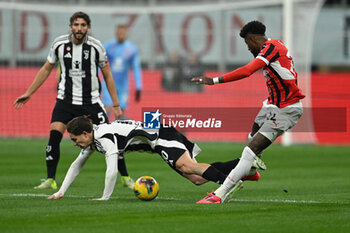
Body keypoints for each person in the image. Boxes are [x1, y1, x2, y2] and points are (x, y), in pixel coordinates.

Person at [13, 11, 132, 190]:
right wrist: (29, 93)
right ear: (71, 27)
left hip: (91, 101)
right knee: (54, 136)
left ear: (88, 28)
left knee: (110, 138)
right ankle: (50, 179)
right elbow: (46, 69)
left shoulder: (96, 47)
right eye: (76, 25)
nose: (79, 28)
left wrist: (115, 104)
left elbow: (107, 74)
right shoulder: (59, 44)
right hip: (65, 100)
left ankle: (125, 177)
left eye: (83, 25)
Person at [192, 20, 305, 204]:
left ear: (252, 39)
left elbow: (247, 71)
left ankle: (219, 194)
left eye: (247, 43)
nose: (248, 48)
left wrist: (214, 81)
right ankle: (251, 171)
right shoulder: (277, 45)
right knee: (252, 136)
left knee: (249, 151)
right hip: (272, 105)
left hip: (286, 109)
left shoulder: (270, 48)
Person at [48, 116, 266, 200]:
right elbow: (76, 165)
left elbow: (112, 169)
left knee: (187, 166)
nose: (75, 144)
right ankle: (244, 166)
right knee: (196, 178)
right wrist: (61, 192)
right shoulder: (94, 138)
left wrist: (105, 198)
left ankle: (226, 186)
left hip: (162, 136)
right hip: (157, 142)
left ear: (86, 133)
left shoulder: (103, 138)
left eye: (76, 139)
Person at [101, 24, 142, 120]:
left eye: (122, 33)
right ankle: (103, 131)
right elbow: (100, 63)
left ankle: (118, 132)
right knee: (107, 108)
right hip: (108, 82)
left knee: (120, 111)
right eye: (119, 33)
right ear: (116, 33)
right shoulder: (108, 46)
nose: (120, 35)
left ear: (126, 34)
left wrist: (138, 87)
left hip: (123, 85)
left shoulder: (131, 49)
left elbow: (136, 68)